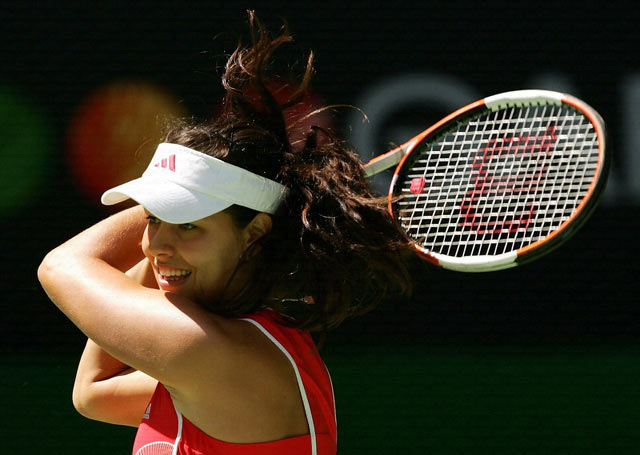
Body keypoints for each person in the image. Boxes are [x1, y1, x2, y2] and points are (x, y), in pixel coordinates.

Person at [38, 11, 411, 455]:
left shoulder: (204, 351)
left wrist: (246, 193)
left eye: (189, 223)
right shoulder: (229, 349)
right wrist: (178, 200)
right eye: (154, 219)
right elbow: (95, 391)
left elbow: (62, 265)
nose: (156, 244)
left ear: (254, 231)